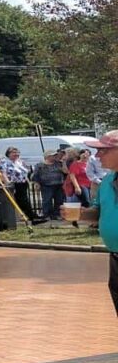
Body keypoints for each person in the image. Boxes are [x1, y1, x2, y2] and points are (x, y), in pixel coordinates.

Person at [74, 131, 118, 316]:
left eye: (103, 151)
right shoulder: (107, 179)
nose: (97, 155)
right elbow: (98, 211)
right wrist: (82, 214)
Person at [0, 147, 34, 221]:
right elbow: (3, 173)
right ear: (8, 154)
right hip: (13, 183)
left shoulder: (20, 161)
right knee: (22, 200)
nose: (16, 154)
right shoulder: (4, 161)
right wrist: (7, 182)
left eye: (17, 152)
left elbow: (24, 172)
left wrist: (27, 180)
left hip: (23, 183)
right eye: (13, 152)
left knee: (23, 200)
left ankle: (28, 215)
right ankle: (31, 215)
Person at [31, 151, 66, 222]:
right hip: (46, 185)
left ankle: (57, 214)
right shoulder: (40, 165)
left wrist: (64, 162)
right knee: (47, 200)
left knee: (59, 200)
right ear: (48, 156)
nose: (55, 156)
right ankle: (46, 215)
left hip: (59, 185)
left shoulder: (59, 164)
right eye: (53, 155)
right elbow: (35, 175)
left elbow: (65, 172)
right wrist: (37, 183)